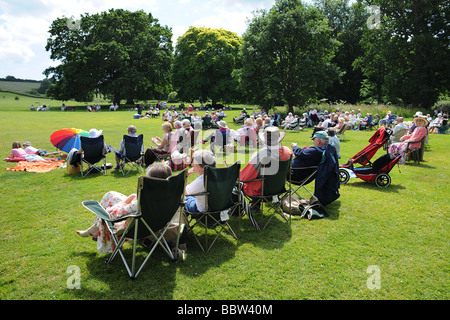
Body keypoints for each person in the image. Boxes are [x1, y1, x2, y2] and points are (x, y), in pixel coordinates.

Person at [76, 162, 185, 253]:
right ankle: (94, 230)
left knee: (104, 213)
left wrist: (127, 200)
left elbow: (113, 215)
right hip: (157, 222)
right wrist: (133, 197)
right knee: (110, 195)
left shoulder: (141, 202)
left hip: (135, 228)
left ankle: (95, 230)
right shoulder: (171, 196)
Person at [240, 126, 293, 204]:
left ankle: (253, 206)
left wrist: (236, 176)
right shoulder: (288, 151)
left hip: (261, 191)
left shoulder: (261, 155)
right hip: (279, 188)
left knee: (237, 183)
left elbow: (246, 176)